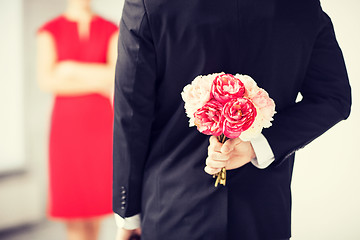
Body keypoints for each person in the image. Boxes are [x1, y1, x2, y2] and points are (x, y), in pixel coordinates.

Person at [113, 0, 351, 239]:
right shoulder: (300, 5)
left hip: (173, 207)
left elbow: (132, 114)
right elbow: (333, 97)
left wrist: (128, 215)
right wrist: (259, 146)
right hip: (264, 212)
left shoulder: (150, 3)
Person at [36, 0, 118, 239]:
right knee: (73, 207)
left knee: (95, 207)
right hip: (66, 127)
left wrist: (70, 69)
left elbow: (116, 75)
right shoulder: (49, 30)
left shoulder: (111, 29)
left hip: (101, 125)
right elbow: (47, 81)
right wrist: (99, 82)